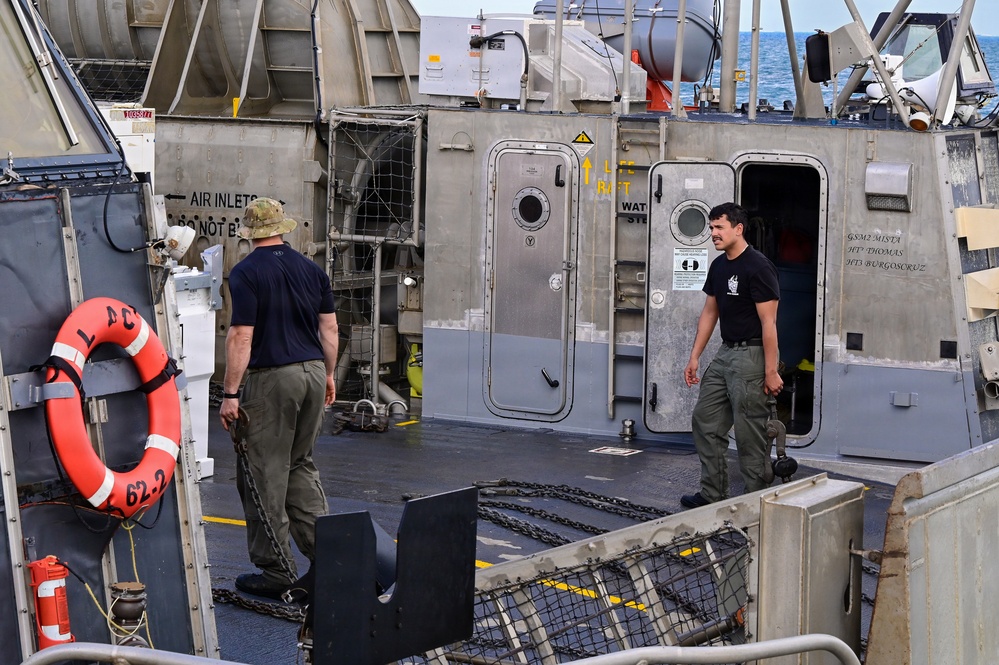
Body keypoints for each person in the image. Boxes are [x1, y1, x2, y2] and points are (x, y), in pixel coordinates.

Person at [219, 197, 339, 600]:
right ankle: (332, 558)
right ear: (283, 229)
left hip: (273, 380)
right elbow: (330, 330)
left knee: (262, 472)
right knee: (300, 465)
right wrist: (329, 374)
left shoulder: (246, 273)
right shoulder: (311, 270)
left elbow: (241, 336)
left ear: (250, 234)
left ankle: (277, 572)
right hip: (312, 372)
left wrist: (230, 393)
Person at [681, 202, 782, 509]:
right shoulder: (720, 266)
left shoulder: (758, 266)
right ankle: (713, 494)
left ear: (738, 229)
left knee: (750, 434)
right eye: (711, 228)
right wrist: (695, 357)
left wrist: (770, 370)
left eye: (719, 227)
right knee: (705, 421)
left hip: (751, 356)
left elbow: (769, 322)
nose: (713, 233)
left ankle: (756, 504)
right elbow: (710, 312)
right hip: (726, 354)